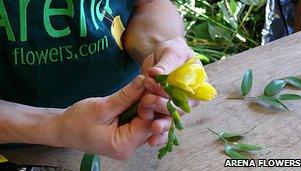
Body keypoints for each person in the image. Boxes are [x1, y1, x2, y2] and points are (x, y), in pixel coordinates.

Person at [0, 0, 198, 160]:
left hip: (133, 128)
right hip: (13, 149)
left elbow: (148, 3)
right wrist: (57, 127)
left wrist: (158, 51)